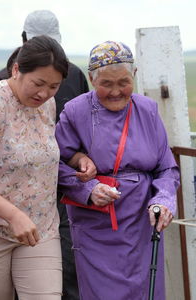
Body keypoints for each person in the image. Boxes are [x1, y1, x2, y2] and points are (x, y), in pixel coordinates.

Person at [55, 41, 180, 300]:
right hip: (94, 227)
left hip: (142, 222)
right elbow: (55, 165)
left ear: (134, 75)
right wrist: (88, 189)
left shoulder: (148, 110)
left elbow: (167, 168)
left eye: (123, 82)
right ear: (90, 79)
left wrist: (163, 200)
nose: (115, 92)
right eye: (106, 84)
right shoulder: (75, 112)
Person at [0, 10, 89, 299]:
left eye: (54, 86)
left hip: (40, 229)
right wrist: (13, 216)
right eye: (38, 84)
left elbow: (48, 148)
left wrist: (77, 159)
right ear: (16, 70)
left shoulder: (47, 105)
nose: (45, 94)